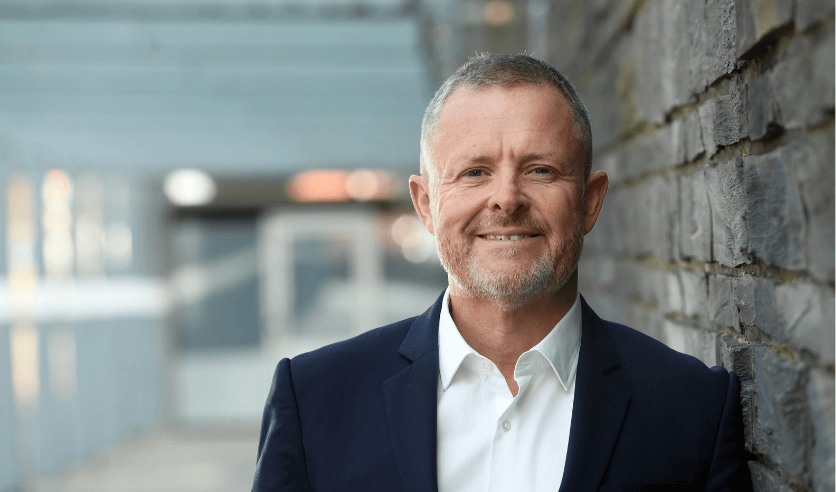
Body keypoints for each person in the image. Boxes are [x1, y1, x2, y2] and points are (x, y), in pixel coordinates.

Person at [253, 53, 752, 492]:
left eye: (541, 170)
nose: (506, 198)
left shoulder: (692, 409)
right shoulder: (315, 401)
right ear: (426, 204)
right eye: (474, 172)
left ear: (590, 202)